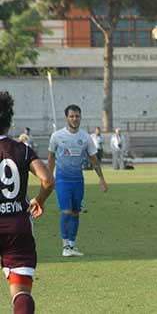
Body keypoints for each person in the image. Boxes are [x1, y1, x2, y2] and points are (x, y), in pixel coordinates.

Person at [0, 92, 54, 314]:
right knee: (21, 292)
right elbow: (48, 180)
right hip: (17, 227)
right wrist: (39, 200)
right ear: (9, 121)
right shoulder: (22, 149)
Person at [48, 104, 108, 257]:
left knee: (75, 212)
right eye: (72, 116)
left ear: (80, 117)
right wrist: (49, 176)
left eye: (77, 116)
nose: (75, 119)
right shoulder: (57, 136)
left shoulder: (85, 137)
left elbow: (94, 159)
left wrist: (101, 178)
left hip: (78, 181)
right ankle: (65, 246)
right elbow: (51, 157)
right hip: (62, 180)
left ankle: (72, 245)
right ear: (66, 118)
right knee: (66, 211)